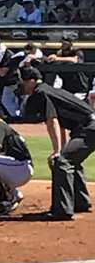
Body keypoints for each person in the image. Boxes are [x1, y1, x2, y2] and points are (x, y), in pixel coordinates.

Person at [20, 66, 95, 220]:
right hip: (88, 127)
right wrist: (61, 148)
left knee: (63, 162)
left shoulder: (41, 93)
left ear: (32, 81)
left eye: (24, 82)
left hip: (89, 128)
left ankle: (62, 210)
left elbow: (52, 120)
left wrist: (57, 152)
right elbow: (59, 123)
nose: (21, 86)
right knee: (70, 159)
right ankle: (80, 203)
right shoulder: (49, 90)